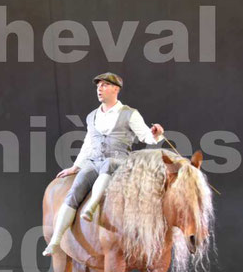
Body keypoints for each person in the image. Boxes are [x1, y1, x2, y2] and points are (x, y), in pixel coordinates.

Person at [43, 72, 165, 256]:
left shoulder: (130, 114)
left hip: (119, 160)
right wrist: (76, 167)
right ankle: (56, 240)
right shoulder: (92, 116)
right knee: (76, 187)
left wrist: (156, 133)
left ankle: (92, 207)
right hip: (94, 161)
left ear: (116, 89)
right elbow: (88, 143)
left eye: (105, 85)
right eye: (98, 86)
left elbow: (146, 136)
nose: (99, 89)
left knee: (108, 164)